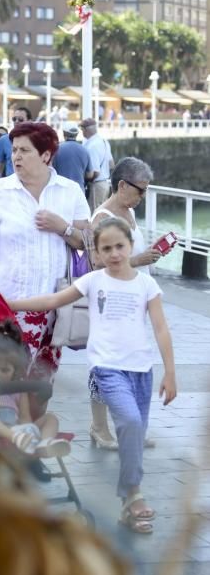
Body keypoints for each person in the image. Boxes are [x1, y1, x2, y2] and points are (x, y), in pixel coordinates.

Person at [9, 217, 177, 534]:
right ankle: (134, 493)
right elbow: (52, 301)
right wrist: (9, 302)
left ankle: (129, 502)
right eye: (106, 249)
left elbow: (160, 329)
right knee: (129, 421)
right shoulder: (93, 281)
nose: (114, 254)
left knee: (135, 435)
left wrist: (170, 372)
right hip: (106, 368)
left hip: (142, 370)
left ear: (130, 246)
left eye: (120, 246)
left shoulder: (146, 285)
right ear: (96, 254)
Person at [0, 122, 90, 420]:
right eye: (14, 150)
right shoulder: (0, 190)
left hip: (55, 308)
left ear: (47, 155)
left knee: (40, 384)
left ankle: (32, 443)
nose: (16, 157)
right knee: (5, 383)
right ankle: (7, 447)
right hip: (9, 306)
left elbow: (87, 242)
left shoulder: (70, 191)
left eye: (25, 150)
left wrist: (61, 227)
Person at [89, 157, 168, 450]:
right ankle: (99, 427)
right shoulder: (103, 217)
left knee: (132, 361)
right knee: (105, 363)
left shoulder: (128, 213)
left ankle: (129, 425)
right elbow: (97, 263)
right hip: (111, 301)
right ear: (122, 185)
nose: (143, 196)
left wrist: (145, 255)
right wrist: (137, 259)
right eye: (140, 190)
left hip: (134, 296)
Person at [0, 320, 70, 458]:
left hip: (18, 429)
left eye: (4, 370)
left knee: (51, 418)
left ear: (15, 371)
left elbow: (24, 417)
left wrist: (28, 430)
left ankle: (44, 444)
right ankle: (17, 438)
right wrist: (14, 434)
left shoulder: (19, 386)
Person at [79, 117, 114, 212]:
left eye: (82, 130)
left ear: (85, 130)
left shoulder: (92, 146)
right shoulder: (104, 142)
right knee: (102, 213)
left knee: (94, 214)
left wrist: (84, 179)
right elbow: (111, 164)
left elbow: (95, 173)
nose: (81, 132)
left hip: (96, 185)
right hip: (105, 184)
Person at [52, 121, 94, 193]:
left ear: (64, 133)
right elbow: (90, 175)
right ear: (77, 134)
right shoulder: (85, 150)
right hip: (79, 190)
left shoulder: (56, 149)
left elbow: (50, 170)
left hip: (60, 190)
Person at [0, 106, 32, 180]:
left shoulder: (35, 140)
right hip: (10, 186)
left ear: (29, 121)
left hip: (30, 185)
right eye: (14, 119)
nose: (16, 121)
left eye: (20, 119)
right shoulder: (4, 140)